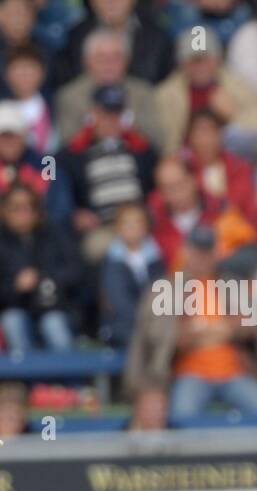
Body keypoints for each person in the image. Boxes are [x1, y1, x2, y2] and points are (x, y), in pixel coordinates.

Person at [127, 224, 257, 421]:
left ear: (216, 253)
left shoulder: (231, 284)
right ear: (186, 251)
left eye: (207, 251)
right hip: (190, 374)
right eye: (197, 251)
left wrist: (223, 329)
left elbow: (251, 326)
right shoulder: (166, 288)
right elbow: (162, 336)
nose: (202, 257)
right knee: (181, 418)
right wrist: (207, 331)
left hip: (234, 372)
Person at [60, 83, 157, 261]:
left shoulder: (143, 150)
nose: (112, 120)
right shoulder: (72, 153)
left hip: (140, 225)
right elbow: (54, 181)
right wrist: (75, 213)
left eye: (117, 114)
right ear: (94, 114)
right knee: (99, 249)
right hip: (103, 228)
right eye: (106, 114)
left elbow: (154, 188)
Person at [154, 30, 257, 157]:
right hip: (186, 161)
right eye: (194, 60)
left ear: (218, 59)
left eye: (206, 58)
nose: (201, 66)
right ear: (182, 63)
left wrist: (234, 115)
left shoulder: (239, 88)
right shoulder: (166, 95)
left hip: (230, 159)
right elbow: (165, 145)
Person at [0, 184, 80, 353]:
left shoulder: (54, 234)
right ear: (4, 211)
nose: (24, 213)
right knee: (12, 320)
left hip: (54, 306)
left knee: (53, 322)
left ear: (37, 211)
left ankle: (69, 378)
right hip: (14, 307)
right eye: (16, 208)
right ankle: (25, 378)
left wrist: (42, 278)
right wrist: (15, 286)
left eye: (29, 206)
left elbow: (75, 272)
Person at [99, 200, 162, 347]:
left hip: (153, 322)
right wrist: (145, 321)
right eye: (127, 224)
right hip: (122, 324)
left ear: (146, 227)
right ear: (117, 228)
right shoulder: (113, 261)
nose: (132, 228)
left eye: (137, 223)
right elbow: (119, 302)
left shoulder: (156, 258)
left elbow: (161, 293)